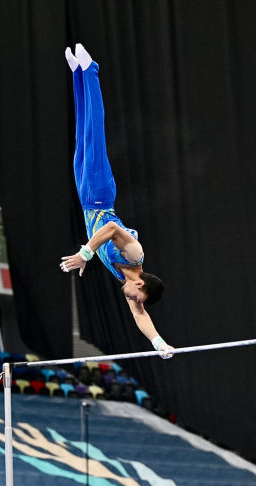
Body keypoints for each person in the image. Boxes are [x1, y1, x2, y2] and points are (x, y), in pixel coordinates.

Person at [59, 44, 174, 359]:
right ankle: (91, 69)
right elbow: (110, 226)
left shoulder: (125, 278)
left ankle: (77, 75)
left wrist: (158, 343)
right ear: (142, 288)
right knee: (94, 133)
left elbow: (140, 316)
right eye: (139, 299)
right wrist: (86, 254)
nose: (134, 302)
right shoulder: (135, 254)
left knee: (81, 137)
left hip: (86, 201)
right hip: (99, 195)